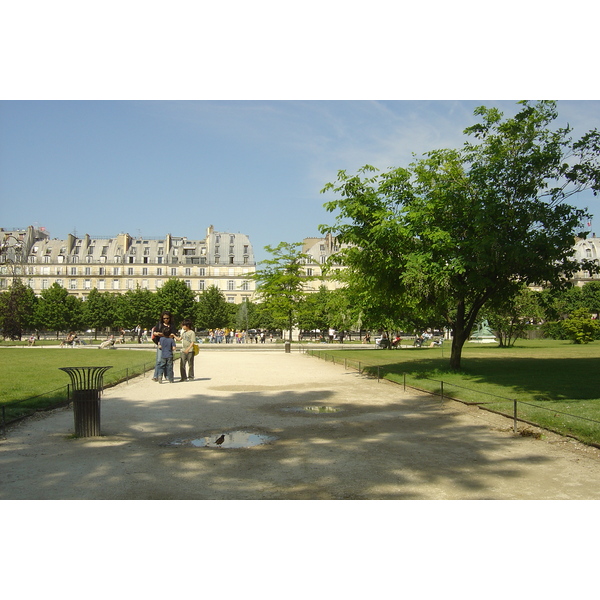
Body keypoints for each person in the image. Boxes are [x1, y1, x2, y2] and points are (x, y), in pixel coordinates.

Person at [152, 311, 175, 381]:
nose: (166, 320)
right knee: (159, 360)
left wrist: (162, 334)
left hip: (168, 345)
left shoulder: (172, 325)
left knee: (168, 361)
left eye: (167, 318)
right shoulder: (159, 324)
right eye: (164, 318)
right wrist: (163, 334)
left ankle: (167, 375)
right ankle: (156, 375)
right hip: (160, 344)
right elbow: (155, 333)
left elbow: (172, 335)